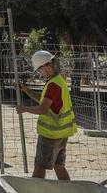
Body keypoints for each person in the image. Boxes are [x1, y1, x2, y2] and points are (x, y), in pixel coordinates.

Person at [17, 50, 77, 180]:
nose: (39, 73)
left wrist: (25, 109)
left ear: (47, 67)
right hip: (61, 134)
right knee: (58, 165)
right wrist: (26, 90)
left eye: (39, 70)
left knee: (40, 166)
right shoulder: (57, 81)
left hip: (50, 135)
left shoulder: (53, 85)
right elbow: (44, 100)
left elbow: (43, 109)